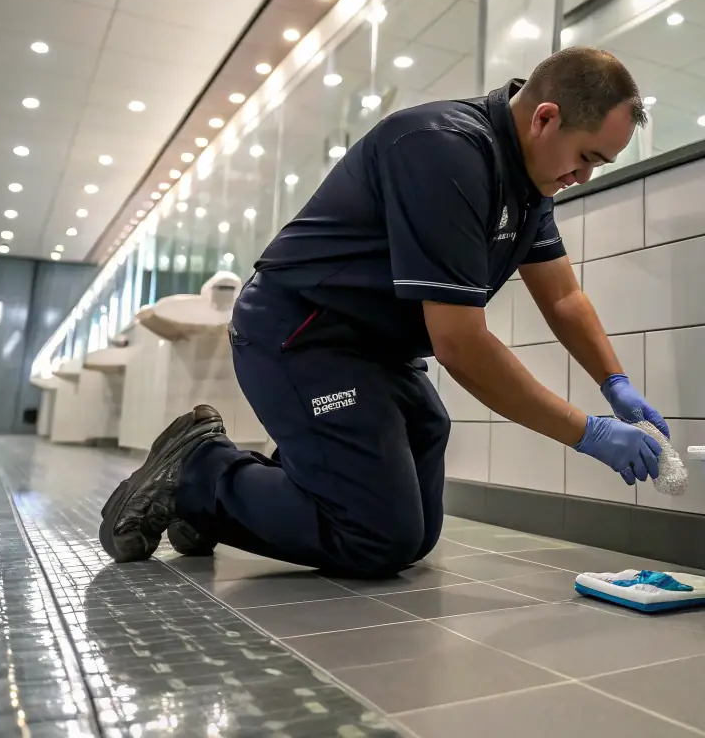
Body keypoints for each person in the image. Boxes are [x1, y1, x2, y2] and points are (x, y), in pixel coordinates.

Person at [99, 46, 670, 576]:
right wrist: (588, 434)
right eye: (587, 157)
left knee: (416, 533)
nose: (584, 177)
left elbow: (563, 296)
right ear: (545, 118)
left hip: (377, 351)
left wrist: (613, 380)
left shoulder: (530, 184)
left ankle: (229, 499)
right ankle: (201, 471)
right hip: (303, 333)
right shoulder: (443, 148)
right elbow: (461, 345)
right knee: (377, 537)